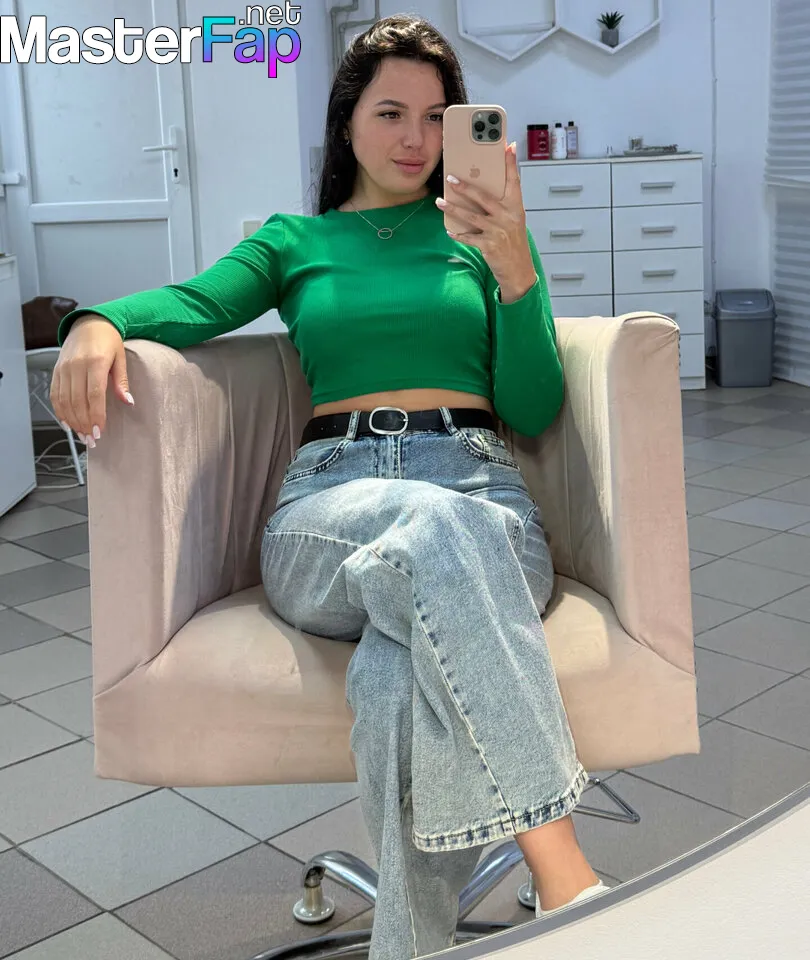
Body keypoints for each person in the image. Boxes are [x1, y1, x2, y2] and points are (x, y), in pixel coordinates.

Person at [51, 13, 610, 960]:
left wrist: (517, 270)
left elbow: (533, 403)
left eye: (436, 118)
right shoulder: (295, 240)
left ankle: (410, 947)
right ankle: (570, 883)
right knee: (432, 530)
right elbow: (192, 304)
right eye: (391, 113)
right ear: (346, 121)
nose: (416, 139)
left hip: (481, 493)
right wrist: (94, 322)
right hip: (330, 508)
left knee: (395, 677)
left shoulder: (485, 239)